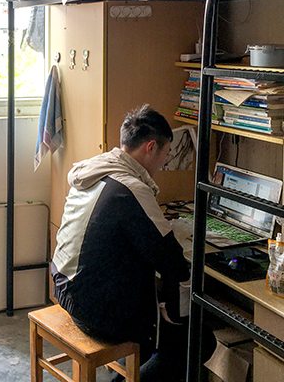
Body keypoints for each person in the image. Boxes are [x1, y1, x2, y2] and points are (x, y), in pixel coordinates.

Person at [51, 104, 216, 382]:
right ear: (151, 148)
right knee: (198, 337)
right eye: (165, 154)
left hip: (65, 285)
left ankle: (128, 373)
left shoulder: (98, 169)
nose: (164, 163)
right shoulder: (131, 188)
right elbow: (173, 262)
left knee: (160, 299)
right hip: (92, 307)